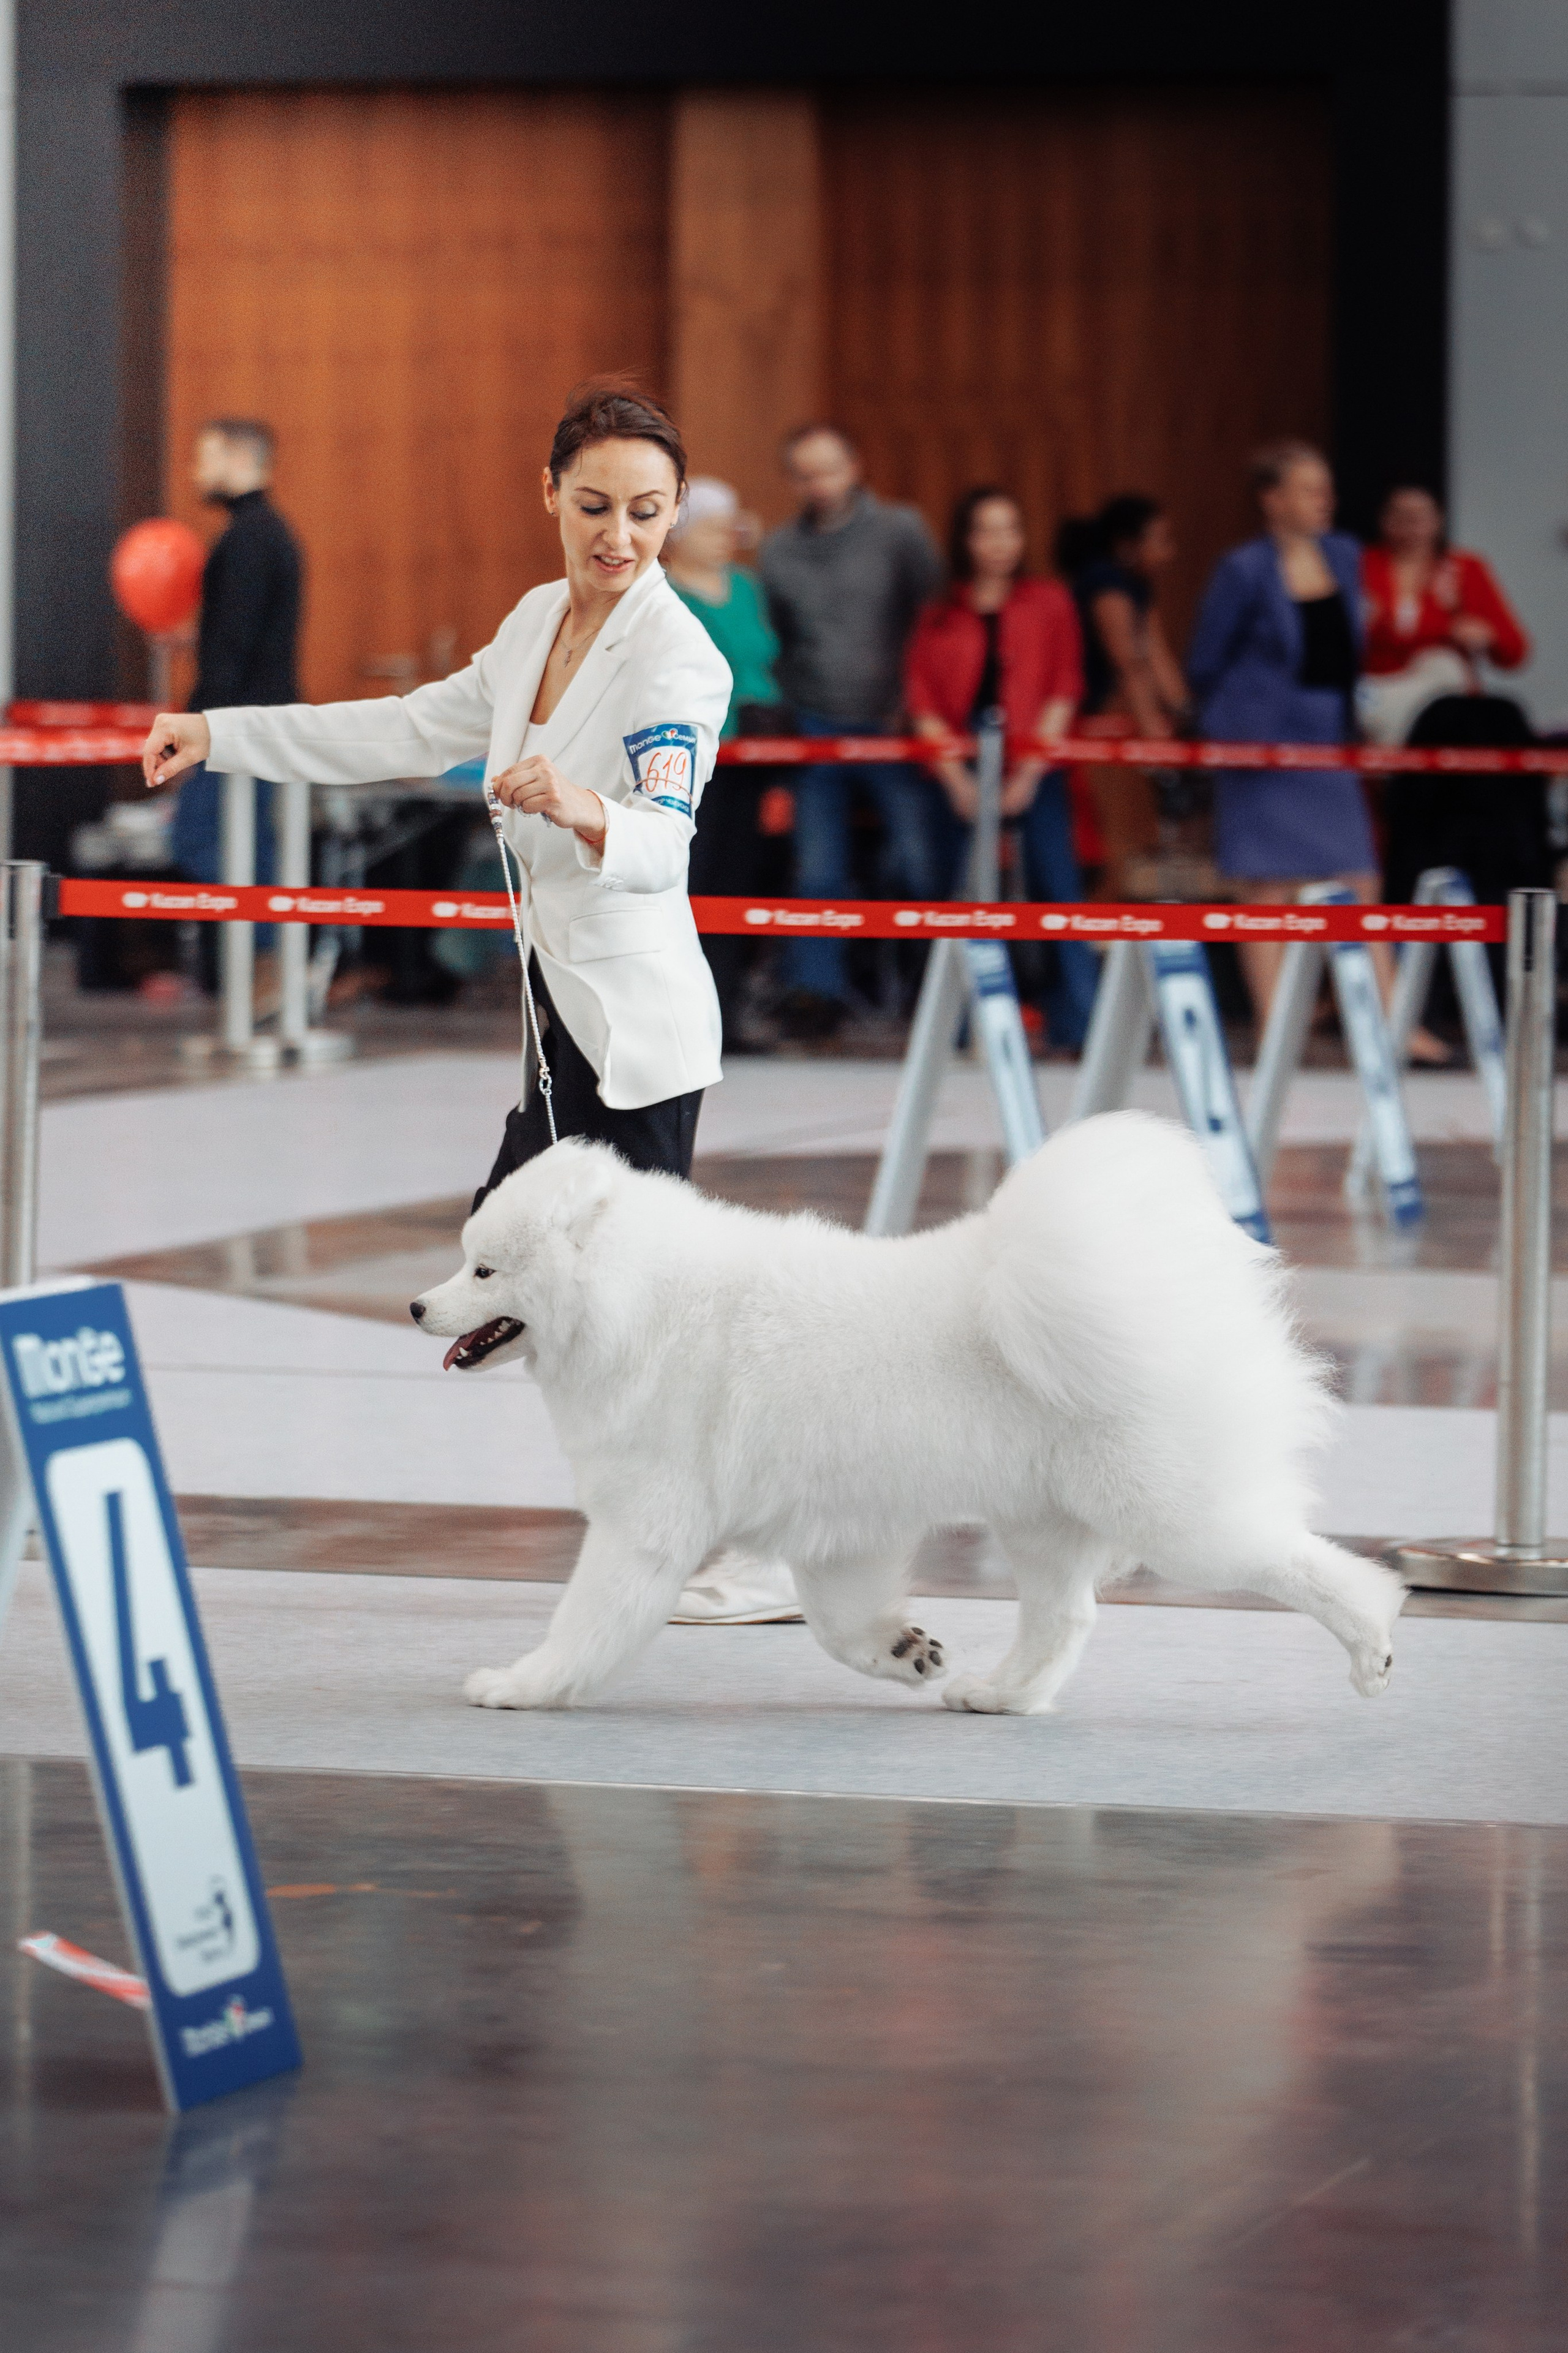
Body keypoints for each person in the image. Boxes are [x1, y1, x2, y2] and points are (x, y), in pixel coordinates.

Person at [142, 378, 799, 1626]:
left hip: (636, 1040)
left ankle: (755, 1548)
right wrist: (221, 733)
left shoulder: (681, 658)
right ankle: (678, 1529)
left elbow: (663, 838)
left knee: (620, 1309)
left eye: (646, 511)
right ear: (549, 495)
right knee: (523, 1275)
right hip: (558, 1027)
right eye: (595, 506)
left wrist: (583, 807)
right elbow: (401, 729)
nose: (620, 536)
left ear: (673, 513)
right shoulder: (535, 621)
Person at [1186, 441, 1383, 1025]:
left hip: (1326, 731)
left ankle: (1388, 1016)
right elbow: (1206, 658)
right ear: (1272, 500)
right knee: (1265, 886)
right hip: (1261, 737)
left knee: (1359, 876)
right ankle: (1274, 1021)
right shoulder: (1243, 568)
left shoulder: (1345, 554)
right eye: (1309, 490)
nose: (1325, 500)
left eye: (1326, 489)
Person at [758, 425, 942, 1033]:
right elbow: (777, 640)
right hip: (815, 726)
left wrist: (917, 702)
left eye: (831, 469)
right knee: (817, 869)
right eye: (807, 474)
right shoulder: (780, 552)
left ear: (856, 466)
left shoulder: (900, 531)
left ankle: (930, 990)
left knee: (917, 861)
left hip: (894, 724)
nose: (821, 484)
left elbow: (935, 618)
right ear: (793, 480)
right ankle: (817, 998)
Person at [905, 485, 1098, 1048]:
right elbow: (922, 700)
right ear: (966, 540)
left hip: (1037, 763)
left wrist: (1029, 774)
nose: (1000, 543)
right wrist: (957, 780)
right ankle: (956, 1026)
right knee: (957, 895)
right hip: (959, 766)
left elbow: (1064, 687)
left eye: (1010, 529)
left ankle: (1080, 1022)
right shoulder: (939, 611)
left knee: (1058, 890)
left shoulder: (1049, 601)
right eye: (986, 530)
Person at [171, 419, 303, 988]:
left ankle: (273, 965)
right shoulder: (266, 533)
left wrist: (193, 728)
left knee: (206, 840)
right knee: (248, 844)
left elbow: (234, 645)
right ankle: (270, 970)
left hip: (237, 725)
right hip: (255, 722)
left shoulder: (248, 539)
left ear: (240, 459)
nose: (197, 471)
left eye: (207, 457)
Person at [663, 476, 788, 1050]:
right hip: (692, 761)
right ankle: (679, 1018)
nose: (725, 537)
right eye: (711, 527)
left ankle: (726, 1014)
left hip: (752, 758)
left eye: (730, 526)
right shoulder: (661, 593)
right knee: (691, 883)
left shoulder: (746, 587)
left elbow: (764, 660)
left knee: (740, 883)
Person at [1059, 493, 1189, 893]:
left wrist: (1186, 713)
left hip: (1078, 713)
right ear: (1127, 546)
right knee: (1078, 836)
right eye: (1160, 541)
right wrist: (1158, 748)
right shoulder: (1106, 584)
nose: (1169, 552)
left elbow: (1156, 654)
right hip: (1060, 716)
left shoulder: (1137, 587)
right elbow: (1128, 662)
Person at [1359, 486, 1530, 747]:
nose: (1412, 524)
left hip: (1439, 705)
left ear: (1438, 520)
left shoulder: (1464, 569)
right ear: (1384, 520)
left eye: (1421, 516)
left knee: (1444, 666)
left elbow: (1515, 652)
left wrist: (1486, 634)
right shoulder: (1360, 565)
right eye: (1402, 515)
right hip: (1376, 691)